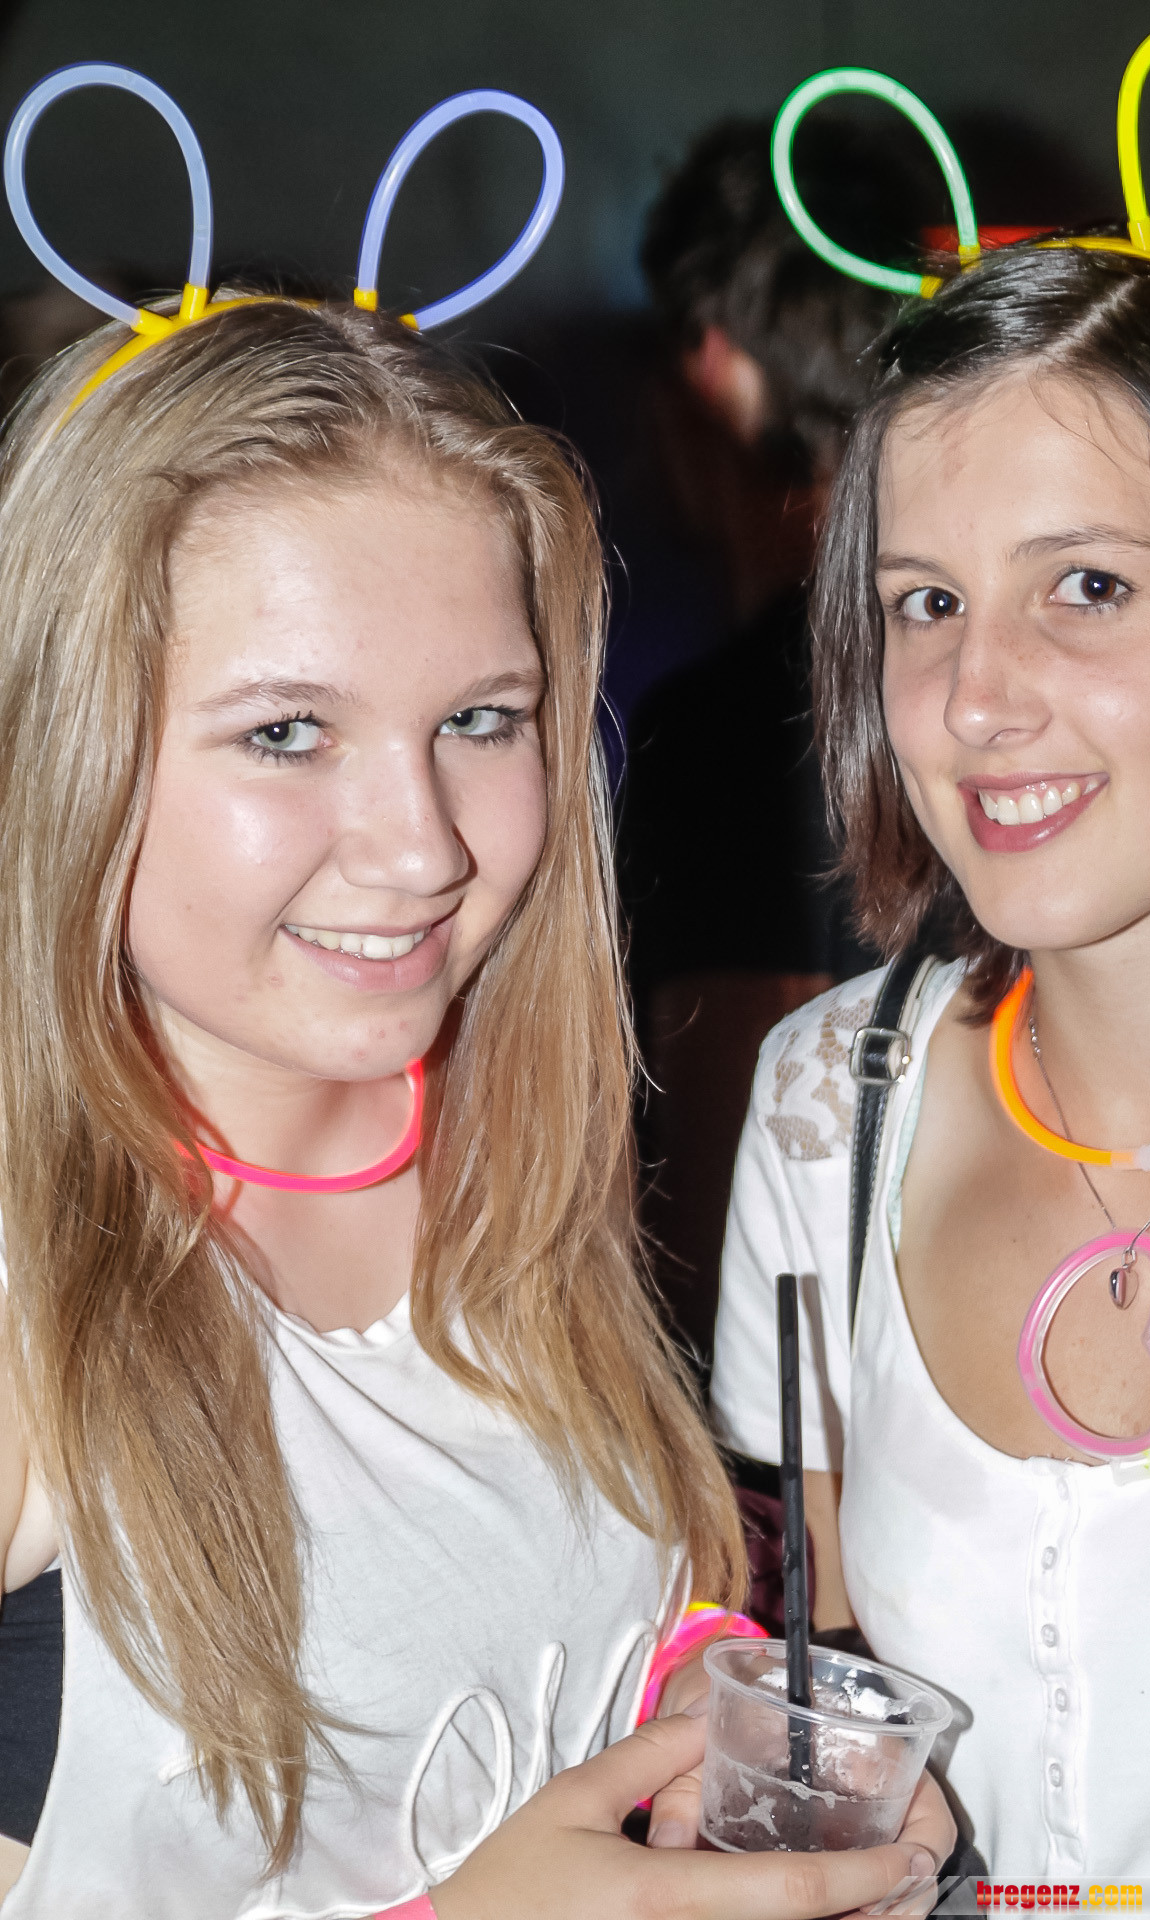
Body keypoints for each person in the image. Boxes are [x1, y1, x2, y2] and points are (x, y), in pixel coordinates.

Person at [0, 288, 957, 1915]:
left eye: (479, 721)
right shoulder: (35, 1291)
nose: (424, 847)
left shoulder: (499, 1150)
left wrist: (704, 1702)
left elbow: (544, 1600)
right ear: (66, 743)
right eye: (286, 732)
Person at [711, 231, 1150, 1876]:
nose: (974, 698)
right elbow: (813, 1684)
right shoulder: (826, 1109)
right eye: (928, 604)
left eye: (1085, 586)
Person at [619, 118, 921, 1366]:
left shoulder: (728, 728)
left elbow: (721, 1206)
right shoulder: (971, 673)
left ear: (713, 369)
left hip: (814, 1414)